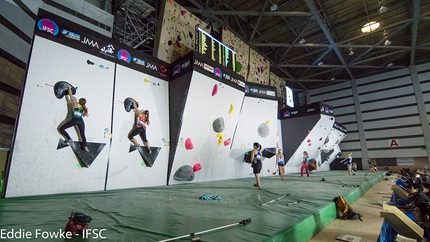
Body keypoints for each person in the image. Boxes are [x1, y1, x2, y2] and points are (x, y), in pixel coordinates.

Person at [59, 85, 89, 152]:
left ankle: (69, 139)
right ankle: (86, 147)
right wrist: (86, 112)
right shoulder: (84, 107)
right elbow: (87, 115)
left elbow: (70, 95)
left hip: (74, 120)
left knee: (61, 129)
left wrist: (69, 88)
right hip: (81, 121)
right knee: (82, 135)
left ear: (79, 101)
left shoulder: (75, 104)